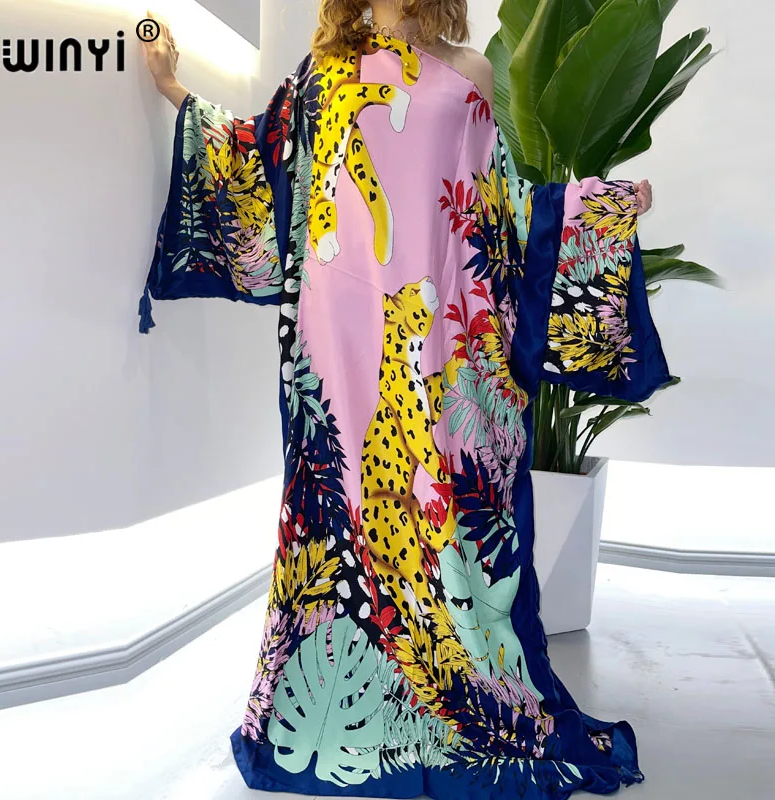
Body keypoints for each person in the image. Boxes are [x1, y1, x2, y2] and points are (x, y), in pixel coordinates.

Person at [140, 2, 667, 798]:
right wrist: (176, 91)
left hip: (441, 335)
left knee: (442, 499)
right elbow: (262, 159)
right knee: (342, 494)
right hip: (336, 331)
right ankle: (341, 694)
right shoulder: (324, 73)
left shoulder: (471, 70)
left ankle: (455, 683)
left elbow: (502, 205)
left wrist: (598, 209)